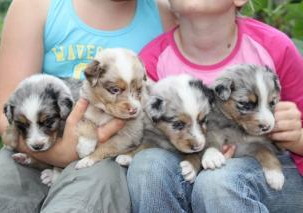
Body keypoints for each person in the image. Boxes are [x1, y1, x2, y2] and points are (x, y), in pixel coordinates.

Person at [0, 0, 175, 212]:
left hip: (108, 157)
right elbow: (7, 111)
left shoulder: (166, 13)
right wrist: (59, 154)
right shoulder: (34, 6)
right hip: (30, 145)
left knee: (80, 205)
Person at [127, 0, 303, 212]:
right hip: (189, 172)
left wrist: (297, 138)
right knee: (148, 164)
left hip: (274, 175)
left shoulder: (274, 46)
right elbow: (144, 135)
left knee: (217, 181)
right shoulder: (152, 61)